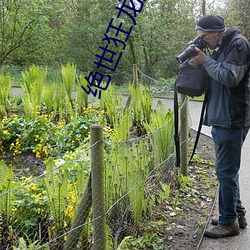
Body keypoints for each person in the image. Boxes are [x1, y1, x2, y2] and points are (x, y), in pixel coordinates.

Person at [192, 15, 250, 238]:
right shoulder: (221, 46)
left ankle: (228, 223)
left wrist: (205, 61)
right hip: (222, 117)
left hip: (232, 118)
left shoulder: (238, 44)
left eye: (204, 37)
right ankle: (237, 214)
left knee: (225, 171)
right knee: (227, 171)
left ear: (216, 32)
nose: (203, 41)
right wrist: (202, 60)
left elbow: (229, 77)